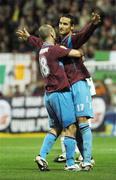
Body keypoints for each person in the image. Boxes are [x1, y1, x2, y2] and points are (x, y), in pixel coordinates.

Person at [16, 12, 100, 171]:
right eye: (60, 23)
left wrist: (93, 24)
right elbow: (43, 43)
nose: (61, 26)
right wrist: (29, 38)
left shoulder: (72, 39)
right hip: (66, 87)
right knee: (72, 124)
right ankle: (83, 157)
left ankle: (87, 160)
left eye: (65, 24)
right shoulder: (57, 44)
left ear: (72, 27)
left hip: (78, 82)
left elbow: (84, 35)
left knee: (82, 121)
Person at [21, 24, 83, 171]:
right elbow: (76, 53)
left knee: (56, 127)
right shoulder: (55, 49)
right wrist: (80, 51)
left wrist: (29, 38)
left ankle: (41, 156)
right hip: (60, 93)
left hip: (49, 95)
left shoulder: (42, 50)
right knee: (71, 126)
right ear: (51, 33)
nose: (55, 30)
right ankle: (70, 163)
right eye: (52, 29)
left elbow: (40, 43)